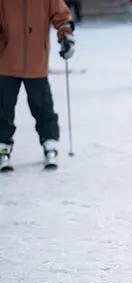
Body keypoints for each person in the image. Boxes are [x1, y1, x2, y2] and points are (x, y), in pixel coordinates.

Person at [0, 0, 75, 172]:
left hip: (36, 62)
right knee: (3, 107)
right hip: (6, 61)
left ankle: (49, 143)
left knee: (43, 106)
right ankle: (2, 145)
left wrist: (66, 36)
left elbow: (62, 17)